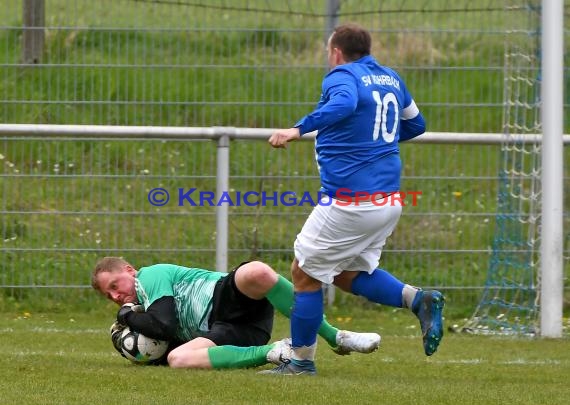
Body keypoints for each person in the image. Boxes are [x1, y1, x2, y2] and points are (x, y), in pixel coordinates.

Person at [265, 23, 444, 375]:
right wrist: (374, 141)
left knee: (303, 273)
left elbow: (345, 102)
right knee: (347, 272)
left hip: (350, 202)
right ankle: (416, 299)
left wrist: (297, 129)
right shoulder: (390, 77)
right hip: (387, 201)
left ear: (335, 52)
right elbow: (416, 124)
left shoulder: (341, 75)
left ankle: (301, 362)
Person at [91, 256, 381, 370]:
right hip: (229, 331)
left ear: (130, 270)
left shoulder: (150, 277)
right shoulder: (143, 308)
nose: (116, 296)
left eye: (115, 285)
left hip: (224, 297)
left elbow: (164, 325)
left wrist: (126, 316)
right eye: (110, 295)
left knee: (256, 271)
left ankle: (336, 336)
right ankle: (276, 352)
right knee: (178, 359)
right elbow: (165, 341)